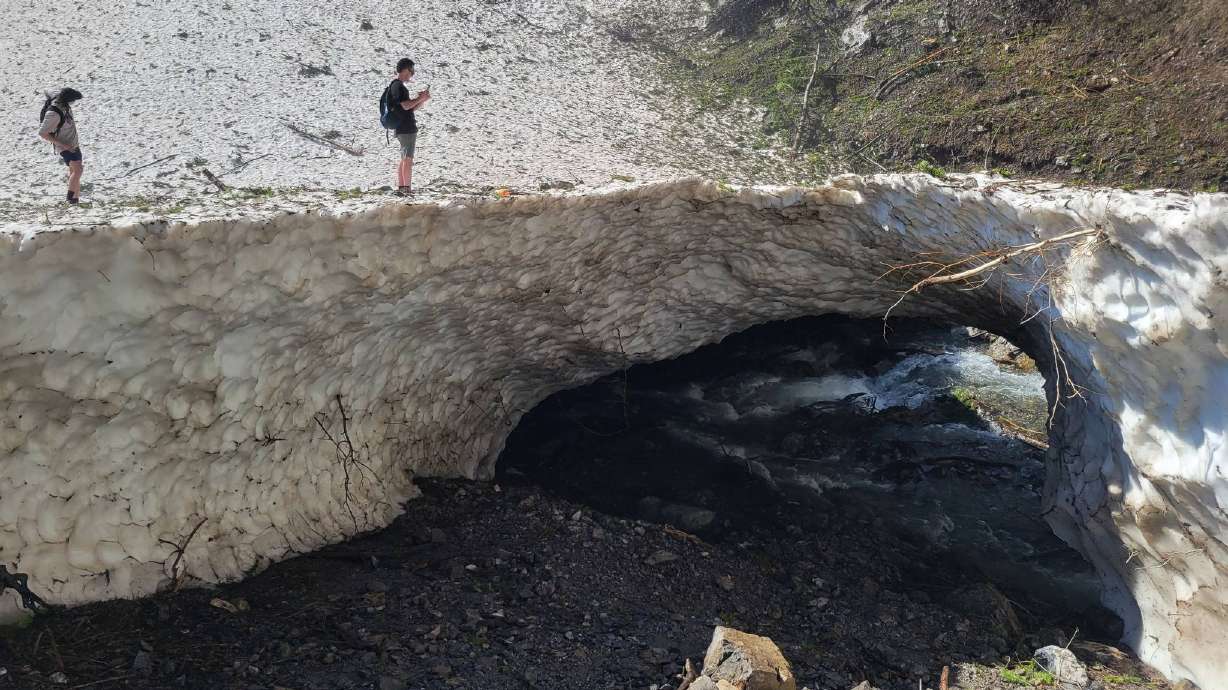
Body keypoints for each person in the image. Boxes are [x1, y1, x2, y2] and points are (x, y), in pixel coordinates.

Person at [386, 58, 431, 195]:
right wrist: (419, 99)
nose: (412, 74)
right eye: (411, 70)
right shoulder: (398, 86)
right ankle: (406, 189)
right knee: (408, 159)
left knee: (404, 158)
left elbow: (407, 108)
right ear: (405, 70)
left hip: (402, 127)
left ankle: (402, 188)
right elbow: (406, 105)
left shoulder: (395, 86)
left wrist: (422, 100)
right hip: (406, 128)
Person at [38, 88, 85, 204]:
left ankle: (75, 200)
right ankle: (69, 199)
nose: (73, 103)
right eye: (73, 100)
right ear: (67, 99)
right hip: (65, 145)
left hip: (73, 143)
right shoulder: (53, 113)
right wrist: (63, 145)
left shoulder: (61, 99)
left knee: (74, 171)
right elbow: (42, 133)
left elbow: (48, 90)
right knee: (78, 170)